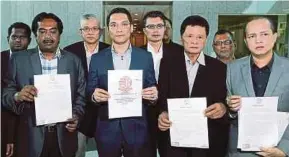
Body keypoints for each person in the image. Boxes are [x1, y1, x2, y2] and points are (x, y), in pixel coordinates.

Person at [2, 12, 86, 157]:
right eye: (42, 31)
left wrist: (76, 115)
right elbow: (5, 95)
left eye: (53, 31)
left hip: (64, 136)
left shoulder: (73, 61)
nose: (48, 36)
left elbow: (81, 95)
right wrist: (17, 96)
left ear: (59, 34)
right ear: (35, 35)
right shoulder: (18, 60)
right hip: (29, 137)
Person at [86, 7, 158, 157]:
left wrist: (154, 94)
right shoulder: (97, 59)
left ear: (131, 28)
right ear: (107, 29)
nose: (119, 29)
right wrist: (94, 95)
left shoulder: (145, 57)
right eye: (114, 25)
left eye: (124, 24)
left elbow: (152, 85)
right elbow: (90, 89)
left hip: (137, 128)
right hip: (107, 129)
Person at [157, 15, 229, 157]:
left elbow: (223, 99)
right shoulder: (167, 64)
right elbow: (162, 97)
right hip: (175, 141)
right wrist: (162, 114)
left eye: (200, 37)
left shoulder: (218, 67)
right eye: (189, 36)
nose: (194, 41)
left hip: (206, 143)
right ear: (181, 38)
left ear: (206, 40)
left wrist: (223, 108)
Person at [226, 17, 289, 157]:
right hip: (241, 152)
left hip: (279, 149)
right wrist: (231, 108)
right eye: (252, 36)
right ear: (245, 41)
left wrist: (284, 149)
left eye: (264, 34)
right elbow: (227, 109)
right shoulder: (232, 69)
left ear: (275, 37)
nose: (258, 40)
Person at [64, 14, 109, 157]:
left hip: (104, 113)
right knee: (77, 152)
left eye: (94, 28)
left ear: (101, 31)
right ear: (80, 31)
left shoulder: (111, 51)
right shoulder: (69, 52)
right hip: (78, 114)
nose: (90, 32)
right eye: (86, 28)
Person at [141, 10, 182, 157]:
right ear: (145, 30)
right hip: (143, 114)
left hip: (170, 114)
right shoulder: (135, 53)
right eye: (151, 27)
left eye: (159, 26)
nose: (156, 30)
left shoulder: (179, 52)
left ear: (165, 29)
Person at [1, 22, 31, 157]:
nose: (18, 40)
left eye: (22, 37)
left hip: (29, 127)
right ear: (8, 39)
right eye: (14, 37)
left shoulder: (37, 61)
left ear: (29, 41)